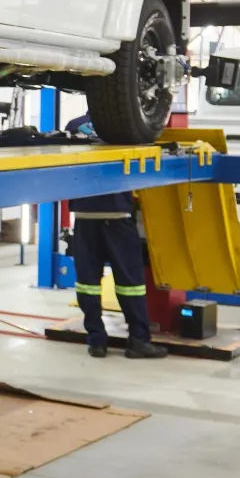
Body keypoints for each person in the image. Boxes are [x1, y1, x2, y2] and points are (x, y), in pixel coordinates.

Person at [60, 115, 167, 360]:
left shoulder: (73, 127)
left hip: (85, 216)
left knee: (87, 282)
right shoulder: (125, 122)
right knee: (131, 283)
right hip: (117, 214)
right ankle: (138, 341)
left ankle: (96, 341)